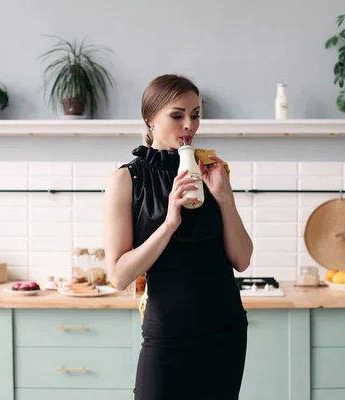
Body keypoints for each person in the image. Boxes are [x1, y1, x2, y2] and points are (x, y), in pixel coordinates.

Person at [103, 74, 253, 400]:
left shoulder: (212, 171)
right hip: (167, 334)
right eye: (177, 115)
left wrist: (224, 197)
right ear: (150, 119)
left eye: (196, 114)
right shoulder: (126, 179)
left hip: (224, 330)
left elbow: (242, 260)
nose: (189, 125)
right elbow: (118, 276)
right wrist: (170, 222)